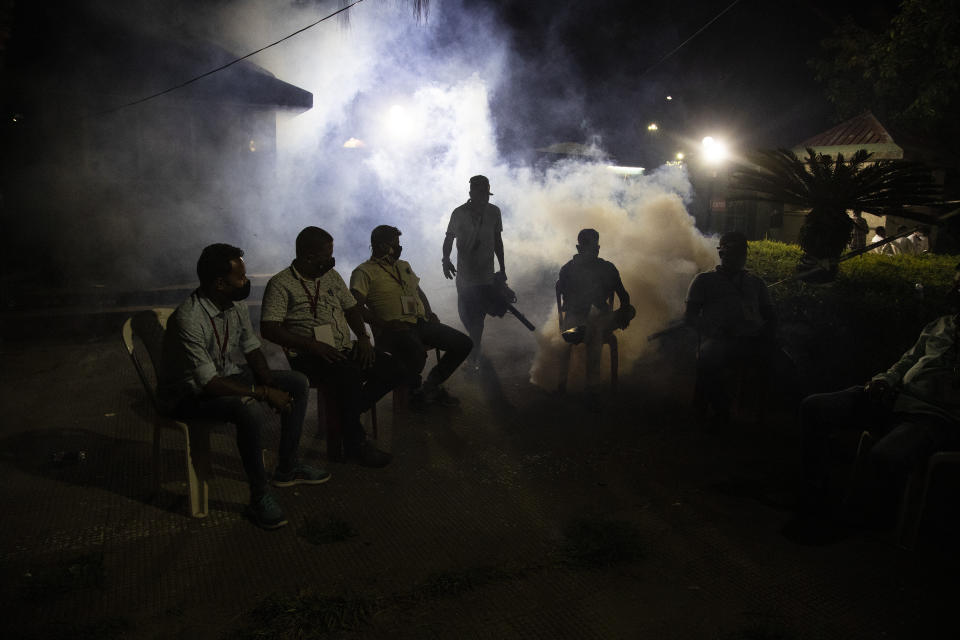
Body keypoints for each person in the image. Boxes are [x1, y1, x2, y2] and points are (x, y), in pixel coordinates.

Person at [158, 243, 323, 530]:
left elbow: (251, 348)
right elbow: (208, 383)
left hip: (225, 375)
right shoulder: (189, 318)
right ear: (220, 284)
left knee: (296, 382)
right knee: (248, 411)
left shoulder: (233, 305)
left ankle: (287, 467)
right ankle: (259, 497)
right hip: (186, 394)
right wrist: (261, 393)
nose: (246, 282)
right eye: (241, 278)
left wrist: (269, 383)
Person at [794, 264, 960, 536]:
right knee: (814, 407)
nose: (954, 291)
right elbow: (908, 360)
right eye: (956, 284)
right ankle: (814, 492)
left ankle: (863, 522)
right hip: (895, 396)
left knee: (886, 456)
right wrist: (885, 379)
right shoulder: (941, 325)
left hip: (932, 416)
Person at [260, 226, 401, 468]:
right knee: (350, 374)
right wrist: (311, 345)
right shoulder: (280, 284)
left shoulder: (330, 276)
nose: (331, 259)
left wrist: (364, 338)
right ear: (308, 257)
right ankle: (356, 444)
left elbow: (351, 309)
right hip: (308, 355)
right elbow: (269, 328)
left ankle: (349, 414)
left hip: (342, 348)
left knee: (394, 367)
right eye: (327, 254)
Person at [351, 225, 472, 407]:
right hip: (392, 331)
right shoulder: (363, 272)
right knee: (415, 354)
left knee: (463, 344)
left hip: (420, 323)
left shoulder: (403, 265)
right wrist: (384, 324)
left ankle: (430, 386)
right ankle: (413, 394)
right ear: (382, 246)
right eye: (395, 244)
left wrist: (429, 313)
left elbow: (418, 291)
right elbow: (356, 306)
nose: (399, 247)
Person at [684, 231, 777, 424]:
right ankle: (720, 409)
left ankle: (762, 413)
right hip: (718, 339)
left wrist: (766, 333)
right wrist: (713, 329)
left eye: (742, 252)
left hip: (751, 341)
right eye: (732, 252)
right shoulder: (703, 281)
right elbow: (690, 317)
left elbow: (770, 316)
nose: (738, 257)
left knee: (782, 363)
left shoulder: (756, 282)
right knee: (708, 359)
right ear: (721, 254)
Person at [556, 229, 634, 406]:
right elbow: (570, 303)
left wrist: (624, 314)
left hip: (601, 322)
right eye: (590, 246)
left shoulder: (607, 268)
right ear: (579, 247)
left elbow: (624, 297)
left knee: (626, 312)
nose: (595, 250)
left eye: (596, 246)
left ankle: (592, 388)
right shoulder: (569, 270)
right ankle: (592, 390)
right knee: (595, 330)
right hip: (573, 330)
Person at [442, 175, 505, 371]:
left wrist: (502, 268)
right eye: (480, 193)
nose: (484, 197)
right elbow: (449, 239)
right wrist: (446, 259)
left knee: (477, 318)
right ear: (471, 193)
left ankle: (473, 356)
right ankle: (474, 343)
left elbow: (498, 241)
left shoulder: (494, 212)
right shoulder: (459, 213)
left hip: (486, 275)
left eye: (486, 194)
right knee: (464, 314)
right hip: (464, 275)